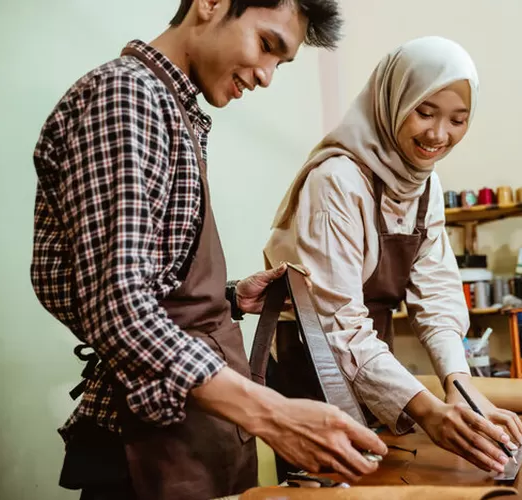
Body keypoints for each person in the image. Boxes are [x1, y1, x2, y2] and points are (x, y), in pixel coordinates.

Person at [30, 1, 387, 498]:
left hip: (195, 432)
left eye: (281, 64)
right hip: (147, 449)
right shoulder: (127, 96)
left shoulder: (169, 108)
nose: (266, 77)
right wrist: (275, 415)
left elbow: (144, 281)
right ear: (211, 4)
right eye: (267, 45)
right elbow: (119, 310)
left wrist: (229, 297)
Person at [264, 36, 522, 475]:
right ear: (391, 99)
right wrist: (426, 411)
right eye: (425, 112)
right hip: (312, 371)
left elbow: (439, 297)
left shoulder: (425, 185)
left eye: (457, 120)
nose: (438, 135)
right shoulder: (338, 181)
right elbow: (340, 325)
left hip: (370, 363)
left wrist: (460, 387)